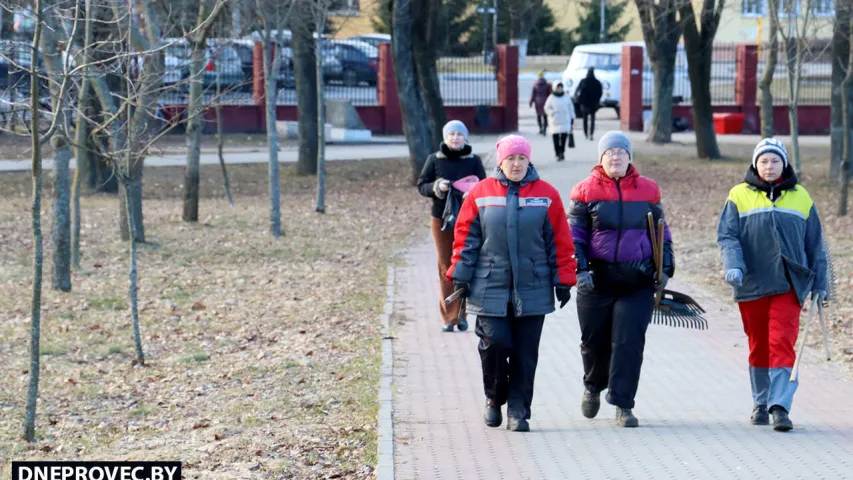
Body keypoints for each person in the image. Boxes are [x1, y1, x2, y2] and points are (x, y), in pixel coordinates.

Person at [448, 134, 577, 432]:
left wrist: (563, 279)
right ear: (500, 161)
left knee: (525, 353)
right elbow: (466, 238)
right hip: (489, 284)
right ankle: (494, 398)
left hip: (533, 286)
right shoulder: (480, 193)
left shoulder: (547, 194)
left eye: (521, 158)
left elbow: (559, 239)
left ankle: (519, 411)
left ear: (529, 160)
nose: (516, 164)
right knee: (495, 344)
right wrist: (461, 276)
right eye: (510, 159)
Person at [717, 138, 827, 432]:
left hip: (789, 283)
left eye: (775, 161)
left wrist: (821, 283)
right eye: (764, 161)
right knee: (759, 344)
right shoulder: (738, 195)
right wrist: (734, 266)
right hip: (751, 281)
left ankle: (780, 406)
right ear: (755, 164)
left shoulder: (801, 197)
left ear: (784, 163)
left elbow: (815, 244)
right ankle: (761, 402)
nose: (769, 166)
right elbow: (728, 236)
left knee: (782, 342)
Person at [568, 131, 674, 428]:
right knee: (594, 343)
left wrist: (665, 267)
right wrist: (580, 271)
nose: (616, 157)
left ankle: (623, 404)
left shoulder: (648, 190)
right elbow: (574, 236)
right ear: (601, 159)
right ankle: (592, 385)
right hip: (596, 281)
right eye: (610, 153)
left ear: (630, 157)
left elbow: (662, 233)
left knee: (628, 343)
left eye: (621, 152)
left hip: (636, 280)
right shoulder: (584, 191)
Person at [417, 120, 487, 332]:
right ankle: (449, 317)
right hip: (441, 220)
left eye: (459, 134)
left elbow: (484, 186)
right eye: (451, 134)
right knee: (446, 266)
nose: (455, 137)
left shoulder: (474, 161)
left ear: (465, 137)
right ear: (445, 137)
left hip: (469, 220)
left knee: (465, 265)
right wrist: (437, 187)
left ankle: (462, 314)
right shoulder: (434, 160)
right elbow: (422, 185)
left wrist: (472, 193)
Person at [544, 81, 576, 162]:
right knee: (556, 138)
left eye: (561, 87)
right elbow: (546, 108)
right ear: (555, 88)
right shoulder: (551, 97)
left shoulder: (566, 97)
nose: (559, 89)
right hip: (555, 121)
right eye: (558, 87)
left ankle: (562, 152)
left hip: (565, 120)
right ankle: (557, 153)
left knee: (564, 138)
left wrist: (572, 116)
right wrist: (552, 113)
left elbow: (571, 107)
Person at [575, 67, 603, 141]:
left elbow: (577, 91)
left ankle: (586, 134)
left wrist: (579, 101)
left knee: (585, 119)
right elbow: (600, 92)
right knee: (592, 119)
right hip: (593, 104)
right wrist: (597, 100)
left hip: (584, 103)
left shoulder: (583, 81)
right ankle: (591, 134)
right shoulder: (597, 82)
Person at [529, 71, 552, 136]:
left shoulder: (535, 84)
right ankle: (544, 129)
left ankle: (540, 129)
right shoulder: (547, 84)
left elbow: (533, 95)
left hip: (538, 102)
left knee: (539, 116)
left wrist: (531, 102)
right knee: (545, 116)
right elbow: (550, 94)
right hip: (546, 102)